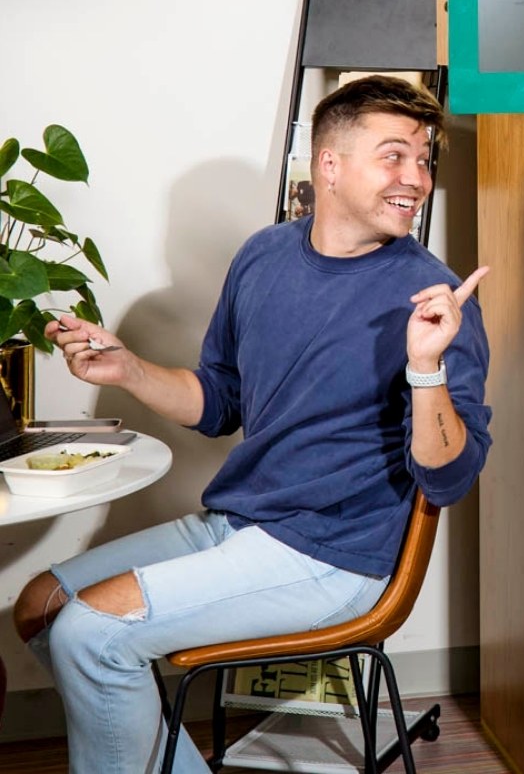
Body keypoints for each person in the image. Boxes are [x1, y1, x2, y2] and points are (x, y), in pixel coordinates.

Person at [13, 74, 492, 774]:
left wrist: (426, 367)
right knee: (41, 609)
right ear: (329, 165)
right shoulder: (265, 255)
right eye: (395, 156)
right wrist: (130, 371)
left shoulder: (434, 300)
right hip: (240, 522)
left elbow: (448, 478)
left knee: (91, 632)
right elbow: (220, 400)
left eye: (423, 159)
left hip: (333, 554)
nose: (416, 178)